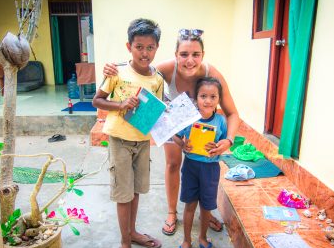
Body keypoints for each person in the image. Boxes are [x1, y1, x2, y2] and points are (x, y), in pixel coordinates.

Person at [103, 28, 240, 235]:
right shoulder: (166, 69)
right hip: (174, 124)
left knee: (203, 170)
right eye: (184, 54)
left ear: (203, 55)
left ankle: (206, 212)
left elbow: (233, 113)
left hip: (203, 129)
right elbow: (138, 68)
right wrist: (112, 68)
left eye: (196, 55)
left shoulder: (212, 75)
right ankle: (171, 211)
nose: (190, 61)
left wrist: (228, 141)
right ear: (176, 55)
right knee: (174, 163)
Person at [92, 18, 164, 248]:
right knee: (123, 193)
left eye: (150, 47)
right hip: (120, 140)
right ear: (129, 46)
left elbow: (158, 109)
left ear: (157, 48)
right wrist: (121, 105)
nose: (145, 53)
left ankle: (132, 232)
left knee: (134, 191)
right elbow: (97, 101)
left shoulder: (157, 78)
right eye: (139, 46)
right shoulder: (117, 72)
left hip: (142, 142)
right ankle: (124, 242)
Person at [173, 77, 228, 248]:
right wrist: (183, 145)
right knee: (189, 204)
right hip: (190, 167)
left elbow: (226, 141)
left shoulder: (221, 121)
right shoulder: (190, 119)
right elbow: (176, 135)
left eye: (213, 96)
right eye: (203, 96)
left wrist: (220, 146)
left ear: (218, 99)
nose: (208, 100)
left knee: (206, 207)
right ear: (196, 98)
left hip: (211, 169)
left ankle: (203, 237)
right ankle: (186, 240)